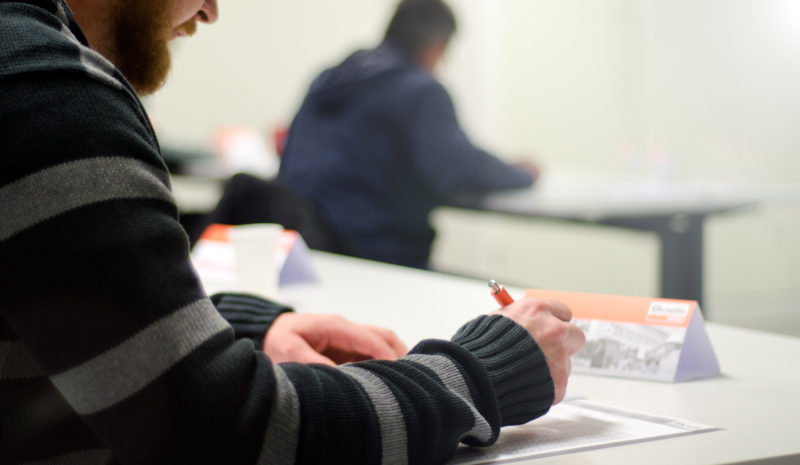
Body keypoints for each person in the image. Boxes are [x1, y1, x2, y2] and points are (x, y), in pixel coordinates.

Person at [0, 1, 585, 464]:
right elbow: (237, 434)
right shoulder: (48, 90)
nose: (210, 10)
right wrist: (483, 373)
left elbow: (59, 306)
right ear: (436, 47)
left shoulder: (337, 74)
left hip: (314, 234)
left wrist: (249, 326)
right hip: (378, 247)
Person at [278, 0, 539, 269]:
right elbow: (460, 166)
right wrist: (521, 174)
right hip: (377, 252)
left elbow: (289, 152)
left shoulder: (330, 78)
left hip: (304, 248)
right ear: (437, 45)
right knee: (486, 289)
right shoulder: (420, 91)